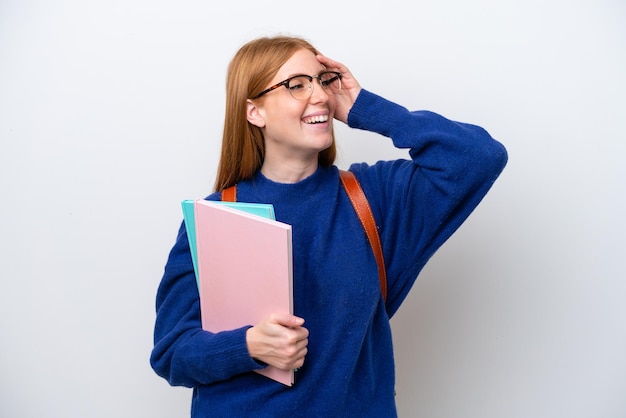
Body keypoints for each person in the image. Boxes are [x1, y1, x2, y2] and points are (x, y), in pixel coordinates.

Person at [150, 35, 507, 417]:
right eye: (296, 85)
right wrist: (248, 346)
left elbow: (479, 157)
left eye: (322, 80)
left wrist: (364, 108)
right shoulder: (216, 216)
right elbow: (172, 353)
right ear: (255, 112)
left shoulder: (374, 199)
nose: (319, 95)